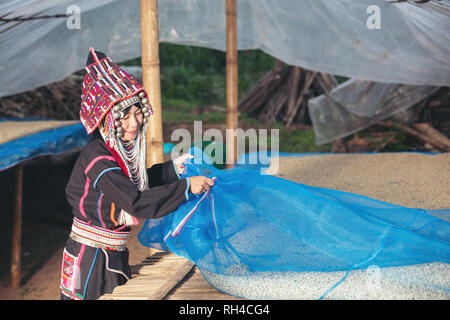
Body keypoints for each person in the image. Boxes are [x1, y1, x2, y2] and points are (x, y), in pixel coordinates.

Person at [60, 48, 214, 300]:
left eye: (137, 113)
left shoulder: (116, 150)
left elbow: (133, 182)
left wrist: (173, 170)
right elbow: (135, 201)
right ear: (105, 119)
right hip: (91, 256)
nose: (133, 123)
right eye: (123, 117)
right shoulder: (98, 158)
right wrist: (186, 187)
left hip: (113, 252)